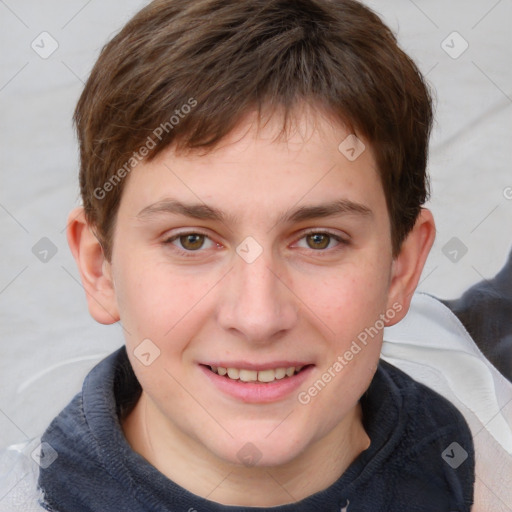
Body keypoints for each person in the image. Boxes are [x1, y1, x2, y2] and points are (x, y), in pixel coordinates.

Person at [0, 0, 480, 510]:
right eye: (191, 240)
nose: (257, 317)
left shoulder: (486, 454)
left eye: (319, 239)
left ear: (400, 269)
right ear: (100, 268)